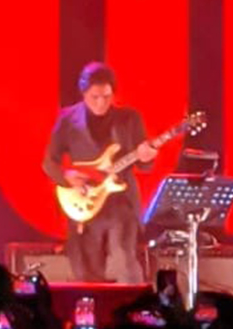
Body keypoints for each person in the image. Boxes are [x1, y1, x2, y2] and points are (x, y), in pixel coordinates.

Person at [43, 62, 155, 283]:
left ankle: (133, 302)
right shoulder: (68, 119)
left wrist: (147, 158)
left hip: (120, 201)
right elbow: (49, 162)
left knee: (124, 261)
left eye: (106, 96)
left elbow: (144, 165)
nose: (101, 102)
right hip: (85, 201)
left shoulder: (129, 119)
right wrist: (67, 177)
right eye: (95, 97)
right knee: (87, 272)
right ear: (84, 94)